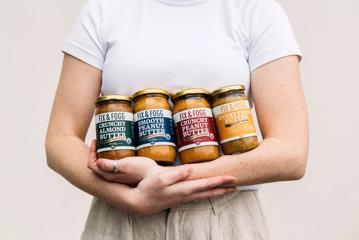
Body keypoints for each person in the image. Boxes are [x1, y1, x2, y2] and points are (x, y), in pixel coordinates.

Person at [45, 0, 309, 239]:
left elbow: (291, 154)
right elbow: (60, 140)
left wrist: (161, 179)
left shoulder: (257, 11)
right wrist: (129, 198)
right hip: (121, 214)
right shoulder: (104, 11)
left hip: (224, 217)